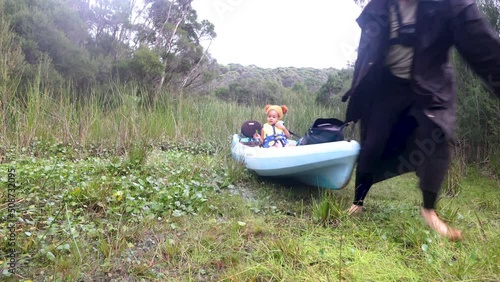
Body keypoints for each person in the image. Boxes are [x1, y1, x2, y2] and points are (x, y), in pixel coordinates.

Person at [342, 0, 500, 241]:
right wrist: (360, 91)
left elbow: (486, 51)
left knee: (436, 132)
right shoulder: (380, 7)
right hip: (387, 86)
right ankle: (358, 201)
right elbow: (365, 55)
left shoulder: (450, 6)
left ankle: (429, 210)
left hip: (428, 84)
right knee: (373, 141)